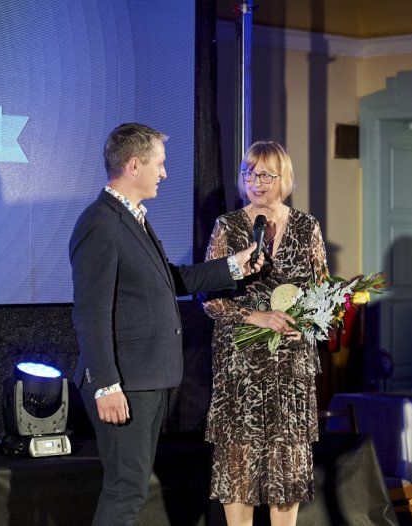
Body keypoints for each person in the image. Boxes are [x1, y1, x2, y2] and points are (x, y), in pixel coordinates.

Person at [69, 123, 263, 526]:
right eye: (159, 163)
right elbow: (90, 311)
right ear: (134, 165)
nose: (164, 173)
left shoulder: (130, 218)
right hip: (126, 382)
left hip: (147, 379)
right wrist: (106, 383)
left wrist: (232, 266)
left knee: (131, 488)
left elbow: (168, 279)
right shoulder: (100, 224)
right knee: (126, 491)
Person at [201, 141, 326, 526]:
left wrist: (303, 327)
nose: (256, 182)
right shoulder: (229, 226)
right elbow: (209, 297)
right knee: (240, 465)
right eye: (249, 173)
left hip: (290, 367)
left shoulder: (307, 228)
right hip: (241, 368)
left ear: (283, 178)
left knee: (284, 468)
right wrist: (257, 317)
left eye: (266, 174)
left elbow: (323, 297)